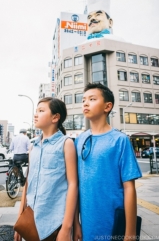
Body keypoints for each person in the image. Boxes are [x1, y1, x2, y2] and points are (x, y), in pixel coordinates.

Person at [73, 83, 142, 241]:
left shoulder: (120, 140)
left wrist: (130, 233)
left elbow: (129, 187)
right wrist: (76, 222)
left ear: (107, 106)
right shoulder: (80, 140)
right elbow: (75, 184)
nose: (85, 103)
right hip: (87, 225)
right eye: (83, 100)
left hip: (113, 223)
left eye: (92, 99)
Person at [14, 97, 78, 241]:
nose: (35, 114)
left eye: (41, 111)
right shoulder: (33, 147)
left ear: (55, 117)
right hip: (30, 220)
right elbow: (27, 184)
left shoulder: (66, 143)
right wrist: (19, 220)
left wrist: (67, 228)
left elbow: (73, 185)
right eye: (36, 111)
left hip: (55, 224)